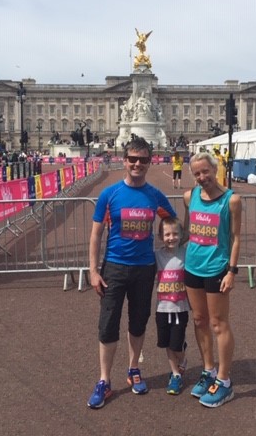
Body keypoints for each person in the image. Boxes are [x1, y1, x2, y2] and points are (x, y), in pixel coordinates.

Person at [87, 137, 177, 409]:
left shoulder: (154, 195)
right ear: (124, 161)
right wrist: (92, 270)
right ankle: (104, 380)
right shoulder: (109, 194)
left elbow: (171, 221)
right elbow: (96, 234)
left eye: (143, 160)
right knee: (108, 324)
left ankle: (133, 368)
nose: (138, 164)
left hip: (144, 267)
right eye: (133, 159)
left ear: (150, 162)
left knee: (138, 322)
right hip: (114, 266)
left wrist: (168, 243)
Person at [183, 152, 241, 408]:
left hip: (217, 268)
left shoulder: (232, 200)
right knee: (199, 320)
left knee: (218, 323)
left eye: (205, 171)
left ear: (215, 169)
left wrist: (232, 271)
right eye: (197, 173)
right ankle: (208, 369)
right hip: (192, 267)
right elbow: (187, 230)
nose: (202, 177)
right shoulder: (190, 196)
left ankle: (224, 380)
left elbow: (236, 237)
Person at [154, 217, 190, 396]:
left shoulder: (185, 253)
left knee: (176, 345)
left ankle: (182, 360)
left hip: (180, 308)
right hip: (162, 308)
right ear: (160, 236)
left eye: (175, 234)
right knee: (166, 343)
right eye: (167, 234)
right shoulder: (157, 256)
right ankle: (175, 374)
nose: (171, 237)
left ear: (182, 235)